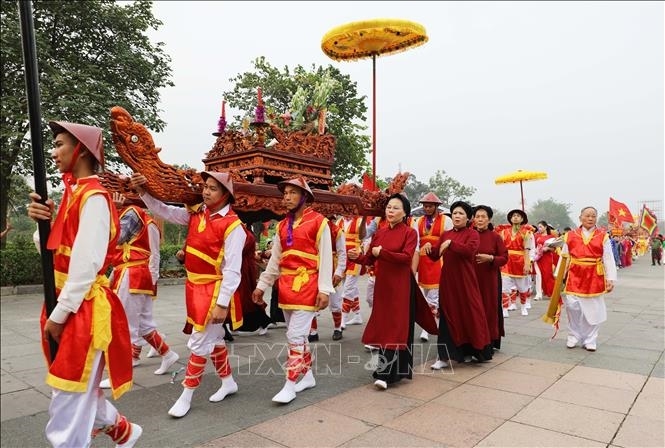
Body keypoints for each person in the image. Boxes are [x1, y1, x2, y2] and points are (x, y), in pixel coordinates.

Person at [27, 121, 141, 447]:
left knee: (67, 399)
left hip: (82, 308)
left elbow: (86, 266)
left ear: (81, 150)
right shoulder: (72, 193)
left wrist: (60, 314)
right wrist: (44, 224)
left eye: (60, 144)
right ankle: (122, 431)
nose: (53, 152)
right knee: (71, 390)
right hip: (65, 301)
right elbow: (50, 252)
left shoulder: (93, 197)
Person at [130, 170, 245, 418]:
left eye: (213, 188)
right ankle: (228, 382)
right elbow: (164, 211)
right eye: (206, 186)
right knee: (213, 340)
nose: (206, 191)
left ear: (226, 194)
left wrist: (222, 303)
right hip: (194, 287)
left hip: (213, 291)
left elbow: (233, 272)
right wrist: (143, 192)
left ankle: (187, 394)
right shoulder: (196, 214)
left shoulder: (234, 226)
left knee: (198, 341)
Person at [251, 176, 334, 403]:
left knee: (295, 336)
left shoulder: (319, 222)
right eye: (285, 193)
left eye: (292, 193)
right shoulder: (282, 225)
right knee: (299, 336)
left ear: (304, 197)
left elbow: (326, 258)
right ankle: (307, 376)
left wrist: (325, 289)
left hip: (308, 285)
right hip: (286, 288)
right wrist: (261, 285)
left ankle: (289, 384)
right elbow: (275, 260)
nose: (286, 197)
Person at [348, 193, 437, 389]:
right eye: (389, 207)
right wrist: (356, 257)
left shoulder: (409, 233)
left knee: (395, 327)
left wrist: (383, 253)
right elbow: (370, 259)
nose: (391, 211)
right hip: (383, 285)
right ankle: (394, 370)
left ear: (405, 212)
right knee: (383, 325)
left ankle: (385, 374)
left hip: (400, 285)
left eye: (396, 208)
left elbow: (406, 258)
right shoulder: (379, 233)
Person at [98, 194, 179, 390]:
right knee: (143, 324)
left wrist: (153, 278)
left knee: (123, 325)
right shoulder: (133, 214)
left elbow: (113, 237)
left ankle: (120, 375)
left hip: (132, 273)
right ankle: (168, 355)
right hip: (130, 273)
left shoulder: (133, 213)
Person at [424, 200, 493, 367]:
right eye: (454, 213)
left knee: (468, 314)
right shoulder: (446, 235)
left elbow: (469, 251)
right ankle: (443, 357)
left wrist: (452, 245)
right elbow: (435, 256)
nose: (457, 216)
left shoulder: (472, 234)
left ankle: (469, 350)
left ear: (468, 218)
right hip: (448, 281)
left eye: (461, 213)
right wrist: (428, 248)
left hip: (466, 281)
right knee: (447, 314)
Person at [556, 206, 617, 352]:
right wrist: (559, 276)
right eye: (587, 215)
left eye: (593, 216)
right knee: (572, 306)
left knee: (594, 309)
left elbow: (608, 258)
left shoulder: (603, 236)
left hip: (594, 275)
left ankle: (590, 339)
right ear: (580, 217)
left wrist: (610, 278)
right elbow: (564, 256)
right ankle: (573, 335)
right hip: (574, 274)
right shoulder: (570, 235)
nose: (590, 218)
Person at [412, 192, 452, 342]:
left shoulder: (446, 221)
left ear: (436, 206)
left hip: (438, 260)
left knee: (433, 297)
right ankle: (433, 322)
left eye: (430, 206)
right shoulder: (418, 221)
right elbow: (416, 243)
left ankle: (426, 329)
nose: (427, 209)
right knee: (425, 294)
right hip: (423, 261)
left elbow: (449, 240)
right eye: (425, 206)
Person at [473, 205, 508, 351]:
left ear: (489, 219)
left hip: (489, 278)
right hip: (471, 278)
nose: (480, 220)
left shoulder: (495, 237)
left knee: (489, 307)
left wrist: (491, 258)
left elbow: (504, 258)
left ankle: (489, 339)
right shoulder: (469, 234)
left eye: (483, 217)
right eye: (477, 216)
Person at [309, 216, 347, 341]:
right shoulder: (311, 226)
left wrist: (339, 272)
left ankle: (337, 328)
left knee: (335, 302)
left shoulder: (337, 231)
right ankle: (313, 332)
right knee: (312, 300)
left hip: (332, 268)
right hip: (314, 268)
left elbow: (342, 253)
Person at [495, 209, 535, 317]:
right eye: (513, 216)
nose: (515, 217)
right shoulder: (503, 232)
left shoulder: (527, 233)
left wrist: (528, 263)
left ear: (522, 219)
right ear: (510, 219)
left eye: (518, 216)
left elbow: (529, 249)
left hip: (521, 261)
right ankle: (505, 308)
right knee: (505, 287)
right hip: (507, 261)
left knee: (522, 287)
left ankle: (523, 305)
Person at [338, 214, 366, 327]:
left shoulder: (359, 221)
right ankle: (357, 315)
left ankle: (343, 319)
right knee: (350, 288)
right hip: (343, 257)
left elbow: (365, 238)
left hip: (355, 257)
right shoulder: (339, 222)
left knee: (348, 289)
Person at [533, 220, 560, 300]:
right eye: (538, 227)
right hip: (537, 258)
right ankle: (538, 294)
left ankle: (552, 292)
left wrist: (547, 248)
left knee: (547, 275)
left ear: (545, 227)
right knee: (538, 275)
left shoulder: (551, 237)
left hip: (547, 258)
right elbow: (532, 246)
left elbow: (553, 248)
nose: (539, 228)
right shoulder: (536, 236)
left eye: (541, 227)